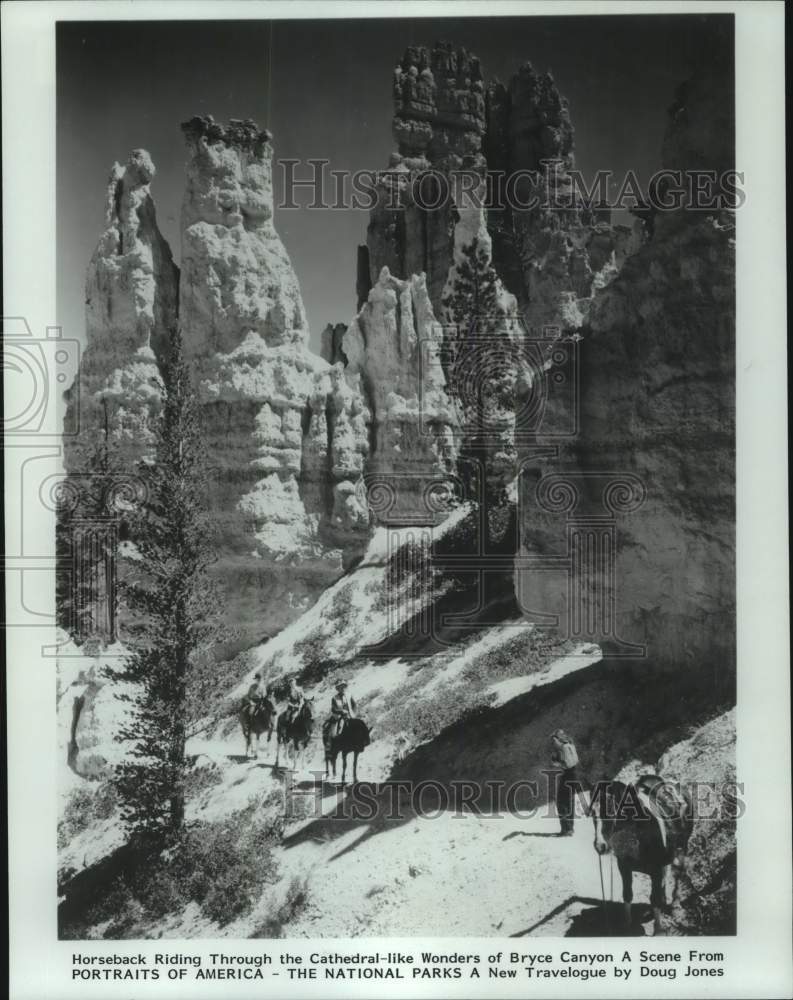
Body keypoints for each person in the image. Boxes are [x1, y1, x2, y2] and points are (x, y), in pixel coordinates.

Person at [550, 728, 582, 836]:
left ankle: (566, 829)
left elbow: (566, 764)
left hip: (567, 775)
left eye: (554, 740)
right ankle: (570, 828)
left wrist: (556, 763)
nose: (553, 743)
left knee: (561, 802)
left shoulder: (563, 748)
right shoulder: (570, 744)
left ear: (558, 738)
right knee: (569, 801)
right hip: (574, 775)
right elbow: (575, 761)